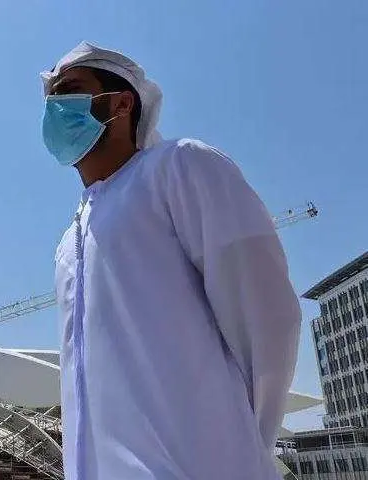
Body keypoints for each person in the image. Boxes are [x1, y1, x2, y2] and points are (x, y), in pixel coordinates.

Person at [42, 42, 301, 479]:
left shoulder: (179, 166)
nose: (54, 109)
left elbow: (266, 319)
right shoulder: (71, 239)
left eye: (69, 91)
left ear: (121, 103)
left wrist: (235, 447)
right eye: (50, 101)